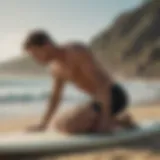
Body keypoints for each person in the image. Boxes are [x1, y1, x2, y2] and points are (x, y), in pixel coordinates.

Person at [23, 29, 135, 134]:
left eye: (36, 54)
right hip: (96, 100)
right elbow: (55, 97)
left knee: (71, 125)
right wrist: (43, 124)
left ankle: (113, 121)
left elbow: (101, 82)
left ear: (46, 45)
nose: (36, 59)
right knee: (59, 125)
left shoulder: (75, 52)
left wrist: (105, 118)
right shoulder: (55, 68)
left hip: (112, 95)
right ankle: (120, 121)